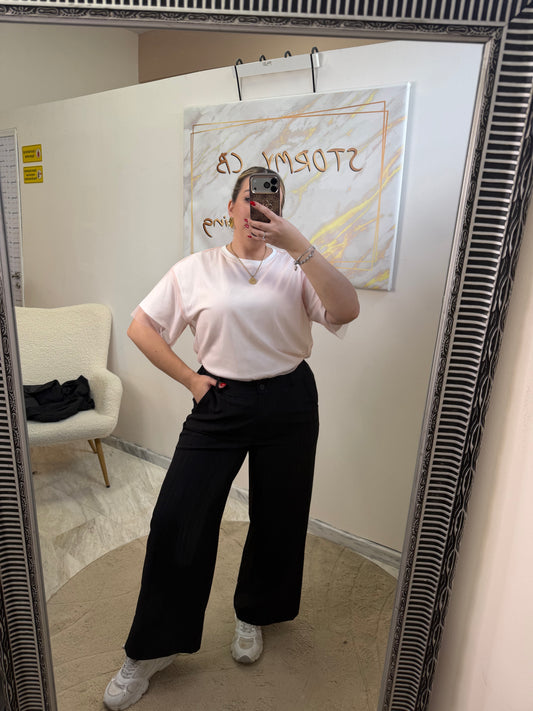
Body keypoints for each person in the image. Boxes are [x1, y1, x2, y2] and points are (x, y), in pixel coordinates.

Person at [103, 166, 360, 710]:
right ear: (231, 207)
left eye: (272, 202)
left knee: (280, 514)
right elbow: (141, 327)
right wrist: (191, 379)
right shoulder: (196, 268)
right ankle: (151, 649)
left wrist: (300, 246)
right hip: (220, 399)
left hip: (289, 398)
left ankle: (255, 613)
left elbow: (346, 310)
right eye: (250, 199)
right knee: (178, 517)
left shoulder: (296, 267)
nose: (259, 209)